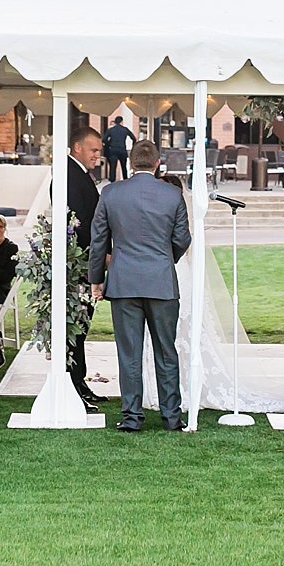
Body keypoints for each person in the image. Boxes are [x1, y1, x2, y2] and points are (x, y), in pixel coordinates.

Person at [88, 138, 192, 432]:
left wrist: (96, 279)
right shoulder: (172, 195)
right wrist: (163, 260)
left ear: (131, 164)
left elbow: (99, 242)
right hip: (161, 282)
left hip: (123, 283)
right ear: (158, 163)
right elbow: (183, 239)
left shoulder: (110, 193)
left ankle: (132, 416)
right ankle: (171, 416)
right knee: (166, 350)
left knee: (129, 353)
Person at [64, 126, 106, 412]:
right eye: (93, 150)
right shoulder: (70, 175)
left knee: (80, 328)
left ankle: (79, 383)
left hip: (84, 261)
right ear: (77, 147)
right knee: (76, 328)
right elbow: (79, 224)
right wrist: (98, 257)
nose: (98, 156)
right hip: (79, 264)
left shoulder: (78, 174)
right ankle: (74, 385)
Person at [102, 115, 134, 182]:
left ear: (115, 122)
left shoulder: (111, 130)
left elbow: (104, 139)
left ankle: (112, 182)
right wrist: (133, 146)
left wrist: (109, 144)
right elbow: (133, 138)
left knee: (112, 167)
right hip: (122, 150)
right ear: (122, 122)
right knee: (124, 167)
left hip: (113, 150)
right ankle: (125, 181)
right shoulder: (125, 129)